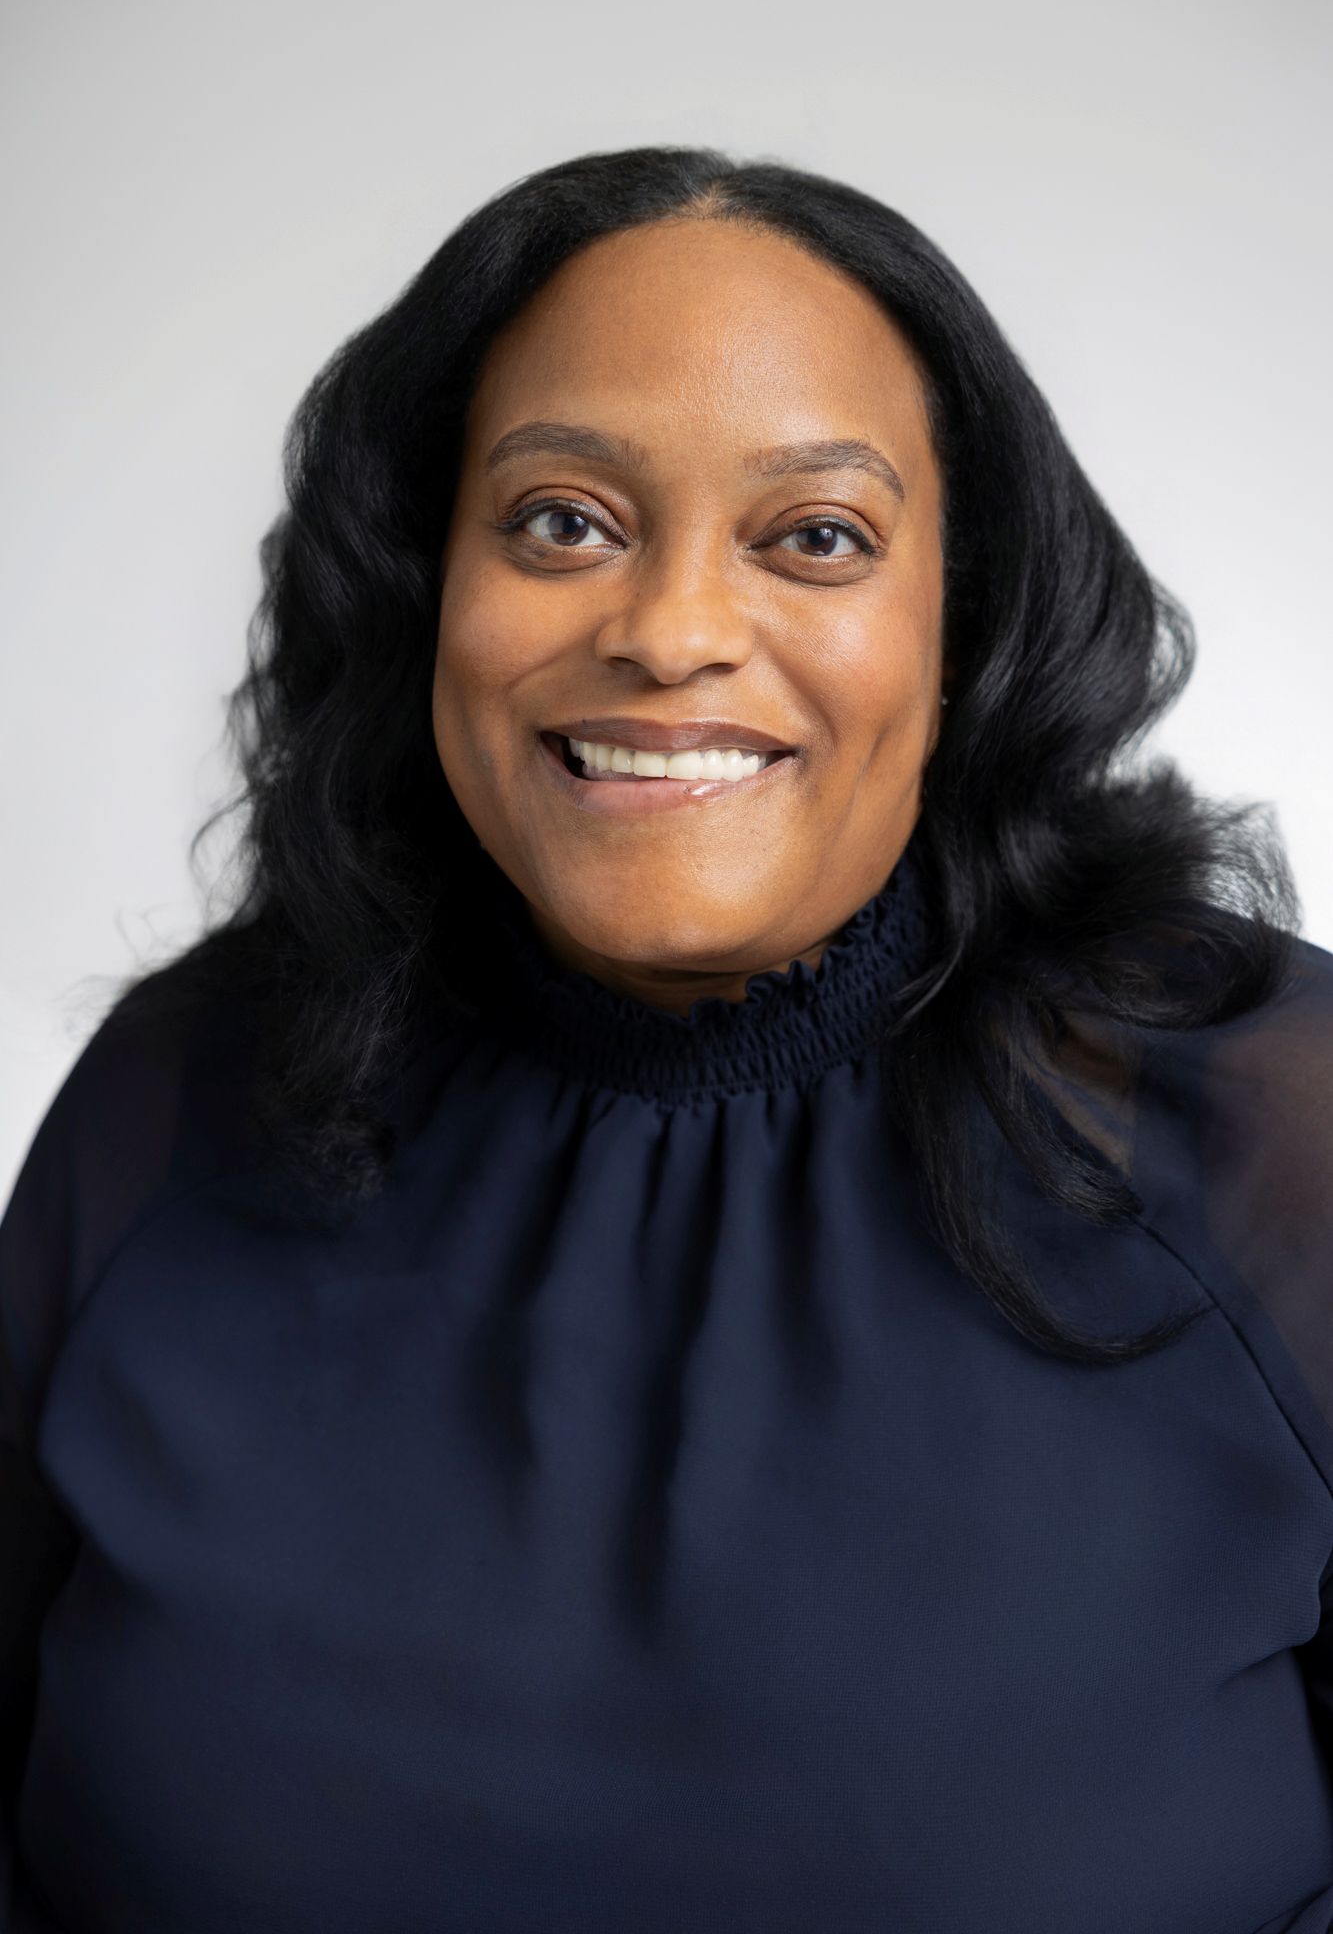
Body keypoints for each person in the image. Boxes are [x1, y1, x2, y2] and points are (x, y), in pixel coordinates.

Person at [2, 143, 1331, 1934]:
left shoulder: (1277, 1130)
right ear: (424, 592)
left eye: (814, 539)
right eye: (562, 519)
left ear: (961, 623)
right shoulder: (179, 1098)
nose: (671, 632)